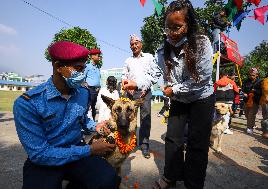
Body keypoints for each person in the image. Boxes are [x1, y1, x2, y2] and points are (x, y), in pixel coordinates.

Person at [13, 41, 120, 189]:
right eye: (78, 69)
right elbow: (39, 154)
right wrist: (90, 149)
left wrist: (96, 126)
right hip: (46, 159)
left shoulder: (83, 93)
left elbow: (82, 119)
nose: (82, 75)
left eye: (84, 69)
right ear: (58, 67)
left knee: (108, 179)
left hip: (78, 152)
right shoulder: (28, 103)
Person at [152, 1, 215, 188]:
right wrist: (138, 83)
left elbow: (201, 79)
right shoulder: (163, 50)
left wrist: (174, 89)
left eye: (177, 27)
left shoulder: (202, 43)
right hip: (179, 99)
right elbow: (155, 73)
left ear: (189, 25)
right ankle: (171, 176)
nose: (171, 32)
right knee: (173, 138)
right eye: (168, 27)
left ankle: (193, 184)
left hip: (201, 97)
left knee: (197, 143)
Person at [121, 34, 162, 159]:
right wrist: (126, 84)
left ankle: (144, 145)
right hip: (131, 94)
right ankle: (130, 143)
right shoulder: (128, 61)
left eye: (136, 43)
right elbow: (124, 75)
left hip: (145, 92)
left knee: (145, 119)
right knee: (129, 118)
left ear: (141, 44)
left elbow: (156, 73)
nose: (134, 45)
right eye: (132, 44)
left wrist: (145, 87)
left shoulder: (149, 57)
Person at [214, 70, 239, 135]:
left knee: (218, 113)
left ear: (220, 75)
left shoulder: (217, 82)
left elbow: (213, 91)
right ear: (227, 75)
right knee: (227, 114)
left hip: (218, 100)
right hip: (228, 101)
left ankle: (216, 126)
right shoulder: (231, 82)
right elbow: (237, 91)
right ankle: (225, 129)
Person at [242, 67, 262, 134]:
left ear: (257, 75)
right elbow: (243, 89)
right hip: (246, 101)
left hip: (255, 101)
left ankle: (249, 128)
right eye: (250, 75)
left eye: (253, 75)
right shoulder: (245, 81)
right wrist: (244, 93)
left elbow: (262, 92)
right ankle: (253, 124)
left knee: (251, 114)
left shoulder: (260, 82)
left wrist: (255, 91)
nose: (251, 76)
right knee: (247, 114)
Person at [83, 48, 102, 120]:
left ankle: (93, 123)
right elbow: (83, 77)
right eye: (97, 55)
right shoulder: (87, 66)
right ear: (92, 56)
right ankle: (85, 124)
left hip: (96, 91)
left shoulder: (97, 67)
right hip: (89, 90)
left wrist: (99, 87)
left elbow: (98, 79)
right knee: (88, 107)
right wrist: (85, 85)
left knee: (94, 107)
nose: (99, 57)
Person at [260, 73, 268, 139]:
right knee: (266, 117)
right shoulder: (266, 80)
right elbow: (265, 89)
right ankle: (265, 132)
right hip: (266, 101)